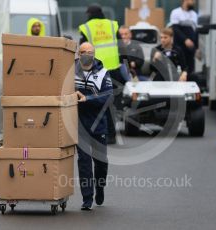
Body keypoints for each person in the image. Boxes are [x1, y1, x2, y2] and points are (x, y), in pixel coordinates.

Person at [75, 42, 113, 211]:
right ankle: (87, 198)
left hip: (98, 123)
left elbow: (108, 96)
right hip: (79, 123)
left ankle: (100, 186)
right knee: (83, 161)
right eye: (83, 52)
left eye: (90, 52)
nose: (86, 54)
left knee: (101, 162)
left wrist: (88, 99)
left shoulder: (103, 72)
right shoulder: (70, 71)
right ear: (78, 52)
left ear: (94, 53)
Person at [79, 4, 123, 144]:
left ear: (90, 14)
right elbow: (121, 45)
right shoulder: (112, 25)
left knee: (94, 100)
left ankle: (94, 133)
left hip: (96, 69)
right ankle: (111, 134)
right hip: (113, 68)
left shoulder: (87, 27)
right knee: (108, 101)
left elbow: (83, 49)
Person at [169, 0, 198, 73]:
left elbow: (195, 31)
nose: (194, 2)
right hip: (179, 45)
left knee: (190, 68)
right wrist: (185, 40)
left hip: (190, 47)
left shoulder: (194, 14)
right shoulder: (176, 12)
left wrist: (197, 47)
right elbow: (175, 29)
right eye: (192, 0)